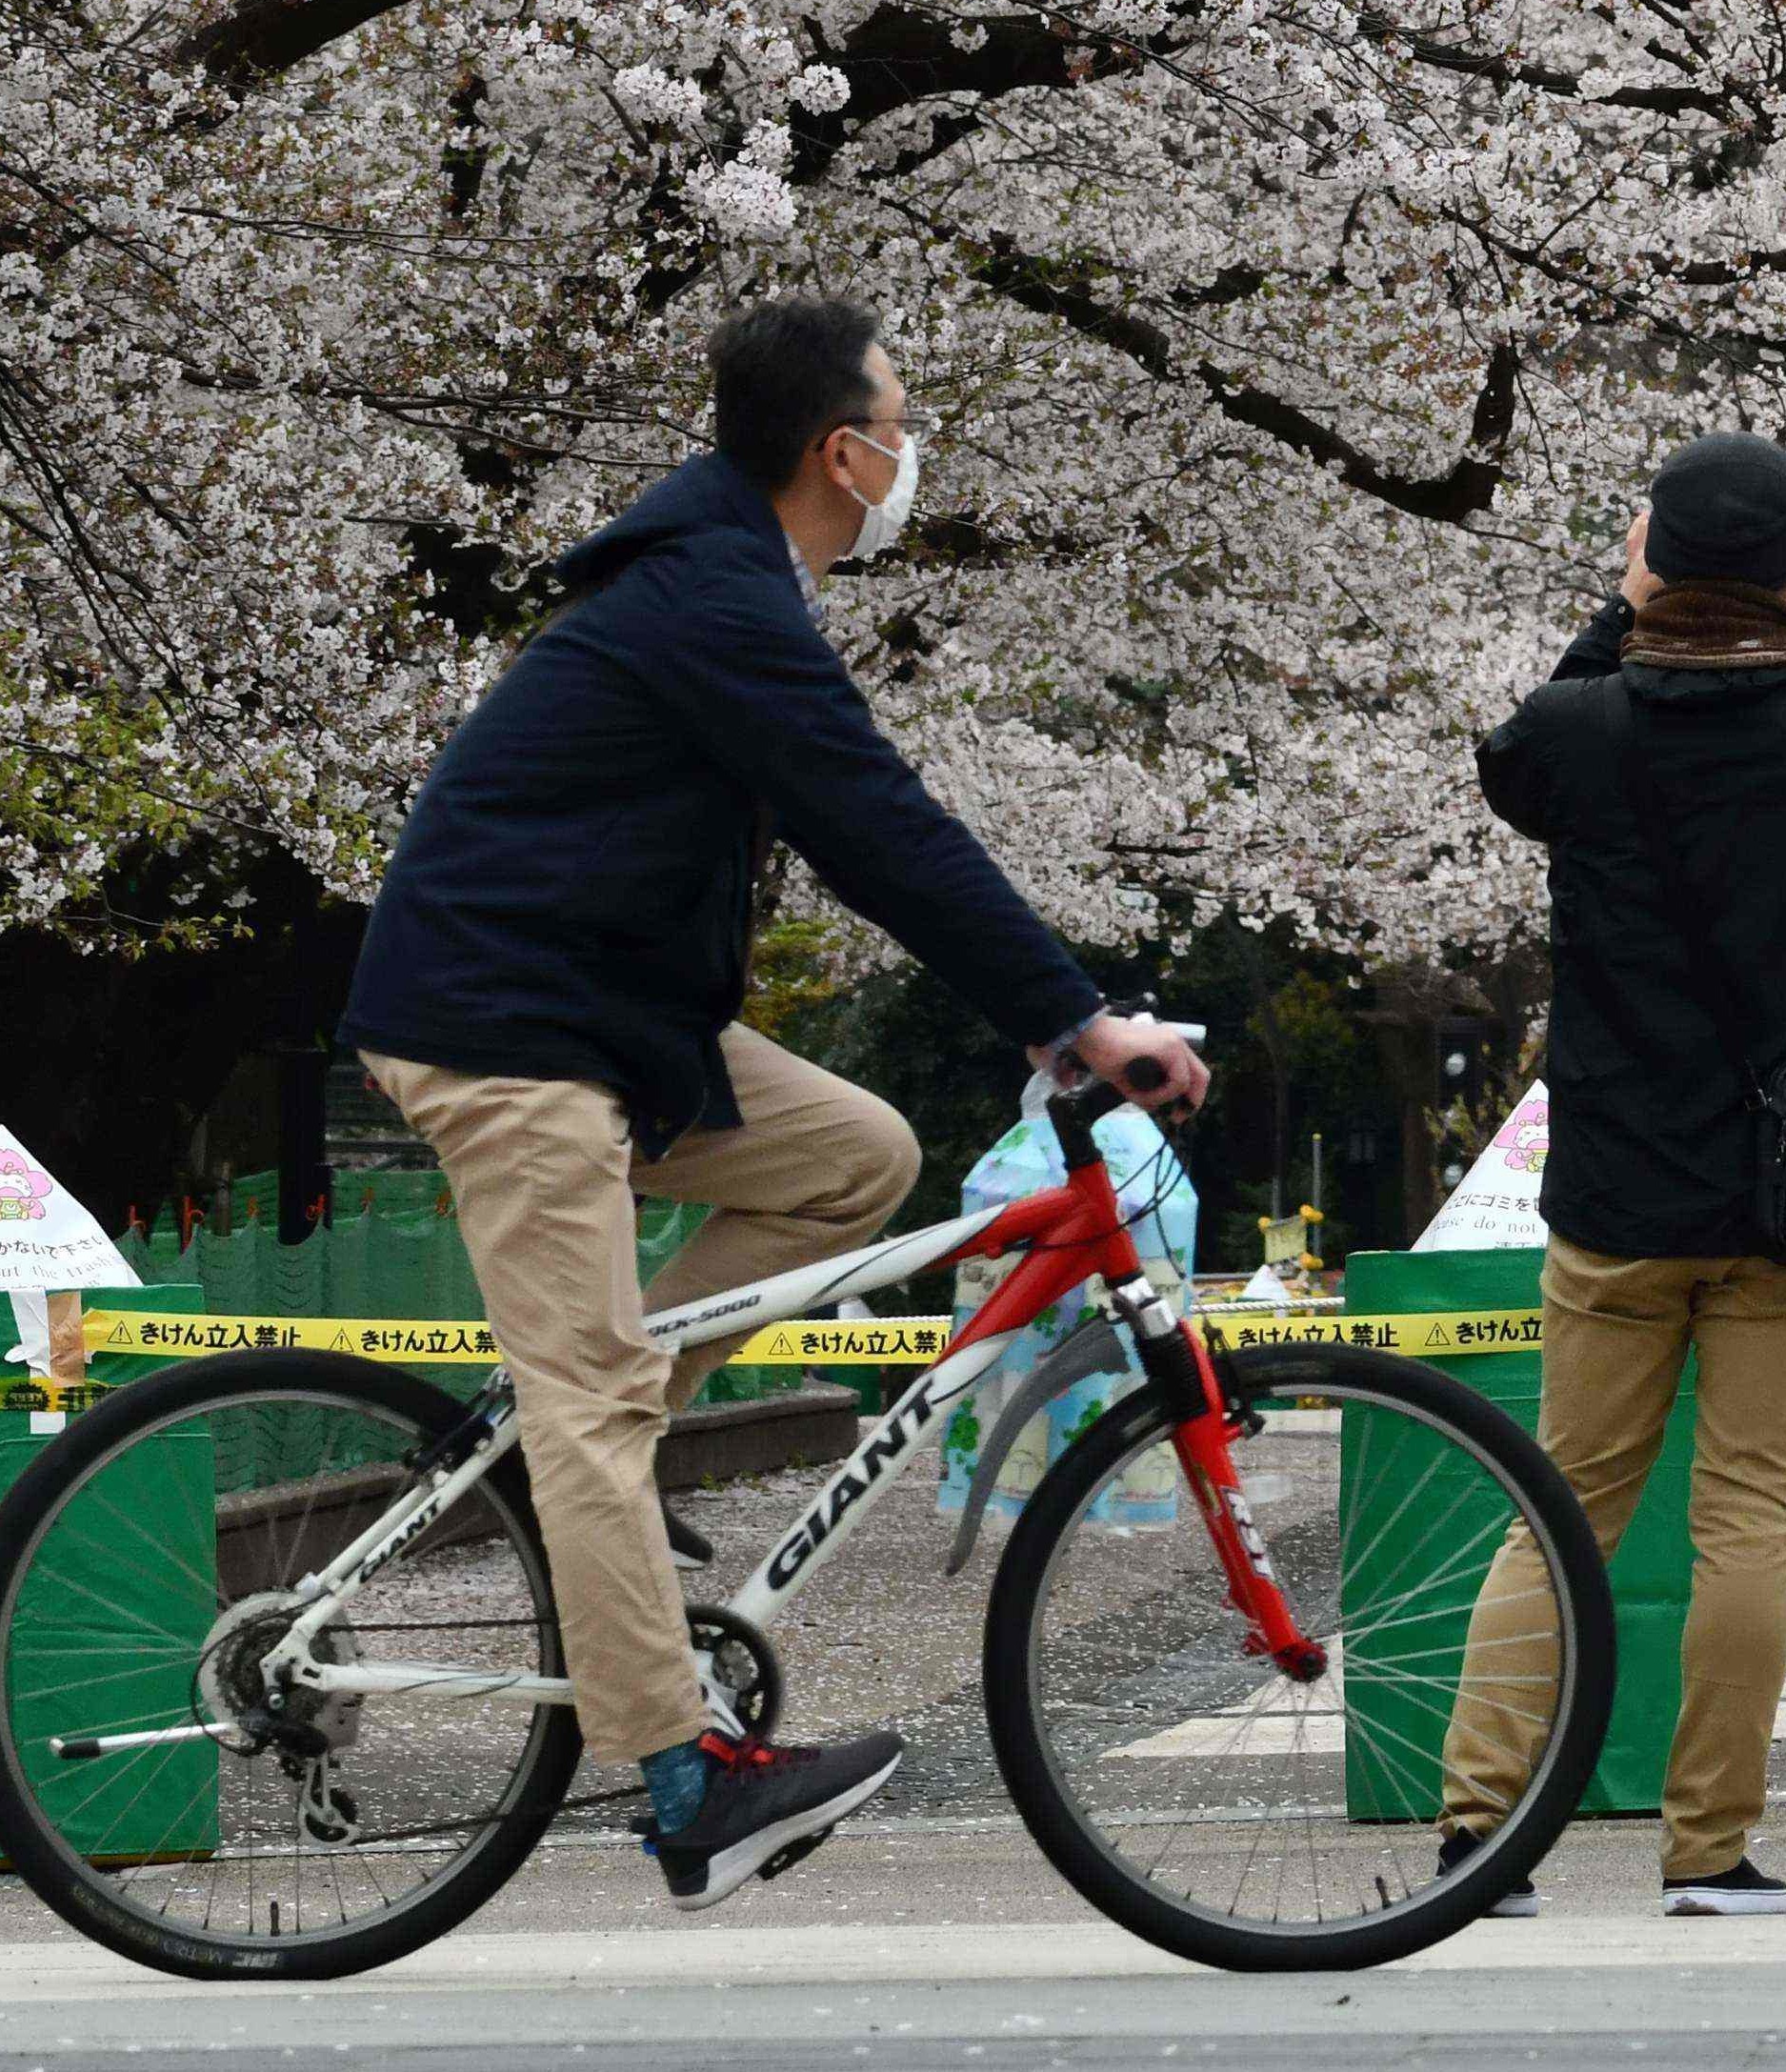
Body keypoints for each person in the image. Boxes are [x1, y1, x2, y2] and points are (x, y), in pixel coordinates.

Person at [341, 293, 1208, 1911]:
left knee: (857, 1152)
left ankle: (575, 1453)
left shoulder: (728, 573)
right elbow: (879, 817)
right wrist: (1076, 1019)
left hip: (604, 1009)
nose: (910, 446)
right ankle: (687, 1774)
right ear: (841, 447)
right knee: (592, 1392)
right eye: (900, 411)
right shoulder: (711, 594)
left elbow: (872, 827)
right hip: (509, 1024)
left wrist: (1046, 1034)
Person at [1438, 432, 1786, 1920]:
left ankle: (1480, 1840)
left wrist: (1616, 609)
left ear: (1659, 566)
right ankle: (1710, 1853)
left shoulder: (1578, 732)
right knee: (1747, 1518)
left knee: (1562, 1505)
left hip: (1617, 1187)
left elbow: (1514, 755)